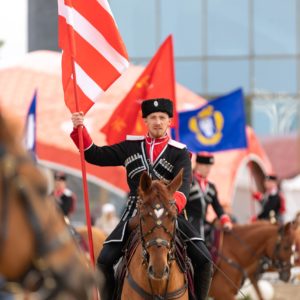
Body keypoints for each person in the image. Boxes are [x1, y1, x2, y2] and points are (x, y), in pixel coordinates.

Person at [71, 98, 212, 300]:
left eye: (162, 117)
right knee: (104, 259)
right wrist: (79, 129)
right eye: (153, 117)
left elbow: (184, 187)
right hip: (135, 212)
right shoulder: (131, 147)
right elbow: (95, 155)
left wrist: (171, 208)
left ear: (169, 121)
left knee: (205, 259)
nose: (157, 121)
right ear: (145, 121)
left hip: (169, 212)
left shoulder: (179, 152)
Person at [186, 152, 233, 239]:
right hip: (188, 224)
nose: (208, 169)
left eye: (210, 167)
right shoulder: (188, 181)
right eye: (206, 166)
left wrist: (225, 221)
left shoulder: (211, 186)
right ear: (198, 165)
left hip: (204, 225)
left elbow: (217, 207)